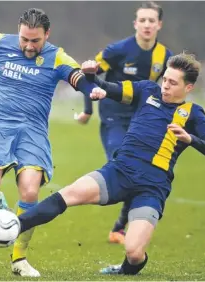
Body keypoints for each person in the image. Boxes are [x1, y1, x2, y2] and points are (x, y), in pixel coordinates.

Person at [0, 54, 205, 276]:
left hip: (151, 188)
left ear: (188, 88)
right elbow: (108, 88)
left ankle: (125, 270)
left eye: (172, 83)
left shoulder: (193, 114)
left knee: (133, 252)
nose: (165, 86)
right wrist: (92, 76)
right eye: (165, 79)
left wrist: (192, 139)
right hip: (118, 172)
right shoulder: (147, 90)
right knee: (67, 194)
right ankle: (1, 229)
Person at [0, 8, 105, 277]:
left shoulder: (56, 56)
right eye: (24, 38)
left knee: (30, 191)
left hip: (33, 130)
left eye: (35, 41)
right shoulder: (1, 42)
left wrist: (90, 88)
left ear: (47, 34)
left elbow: (76, 76)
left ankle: (19, 260)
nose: (28, 45)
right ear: (18, 31)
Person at [76, 1, 173, 244]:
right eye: (143, 20)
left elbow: (170, 87)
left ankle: (119, 227)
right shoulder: (118, 50)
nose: (147, 25)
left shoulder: (165, 56)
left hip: (143, 119)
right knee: (123, 165)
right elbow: (88, 74)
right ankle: (120, 225)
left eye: (152, 20)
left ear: (159, 24)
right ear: (135, 24)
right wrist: (88, 109)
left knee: (142, 170)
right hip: (114, 116)